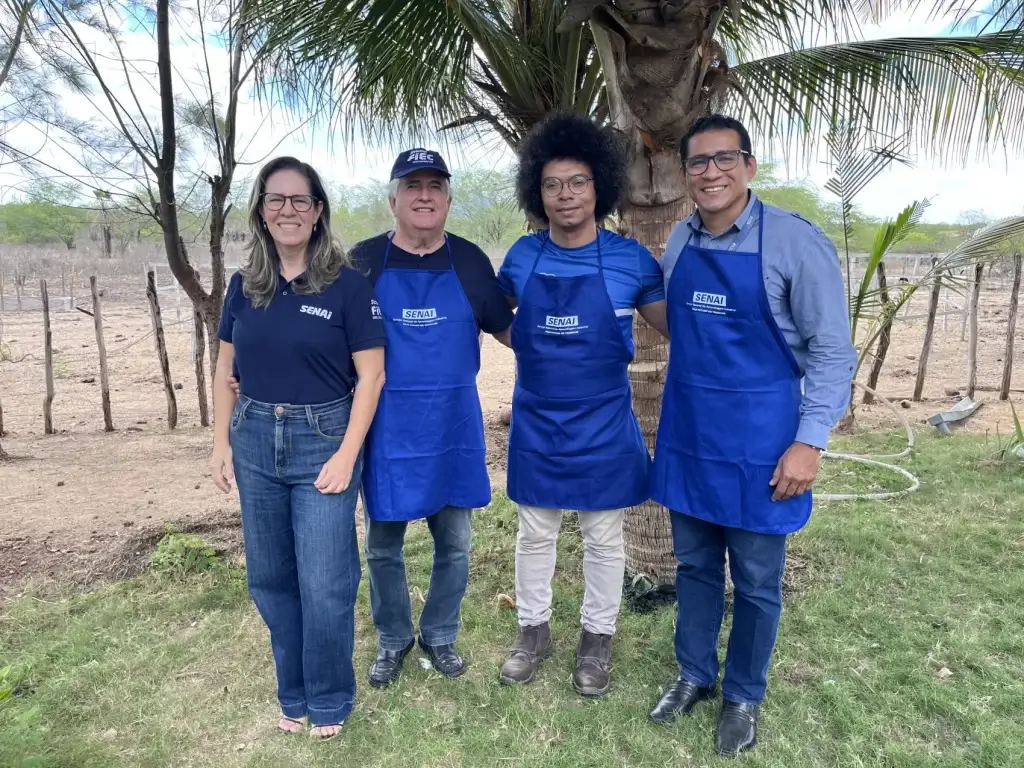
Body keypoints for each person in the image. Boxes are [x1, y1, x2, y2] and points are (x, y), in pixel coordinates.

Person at [647, 115, 856, 757]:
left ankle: (743, 694)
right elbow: (676, 324)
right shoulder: (679, 242)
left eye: (724, 159)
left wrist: (810, 441)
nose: (711, 172)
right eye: (699, 163)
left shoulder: (795, 242)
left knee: (759, 580)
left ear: (750, 166)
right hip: (690, 434)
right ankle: (694, 674)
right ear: (684, 176)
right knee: (694, 566)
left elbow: (831, 353)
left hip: (766, 440)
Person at [209, 156, 387, 740]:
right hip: (255, 438)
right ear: (261, 210)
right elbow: (224, 368)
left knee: (326, 579)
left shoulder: (347, 284)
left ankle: (331, 697)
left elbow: (372, 377)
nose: (288, 210)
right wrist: (220, 444)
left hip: (322, 441)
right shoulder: (245, 285)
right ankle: (294, 692)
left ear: (317, 212)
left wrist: (346, 453)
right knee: (271, 578)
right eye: (276, 199)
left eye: (300, 201)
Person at [495, 112, 668, 698]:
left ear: (600, 188)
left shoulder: (631, 261)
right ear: (536, 193)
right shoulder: (521, 257)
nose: (564, 194)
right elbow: (498, 318)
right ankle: (532, 633)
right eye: (551, 184)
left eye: (577, 182)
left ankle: (597, 642)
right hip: (538, 419)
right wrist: (521, 338)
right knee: (535, 533)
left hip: (603, 422)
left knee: (603, 537)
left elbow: (673, 326)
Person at [349, 148, 514, 688]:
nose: (425, 195)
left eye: (435, 186)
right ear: (393, 198)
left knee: (457, 544)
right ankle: (394, 639)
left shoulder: (469, 262)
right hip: (386, 429)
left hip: (453, 428)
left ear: (448, 199)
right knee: (382, 546)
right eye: (413, 185)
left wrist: (574, 347)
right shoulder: (363, 262)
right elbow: (331, 341)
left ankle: (440, 633)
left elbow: (510, 332)